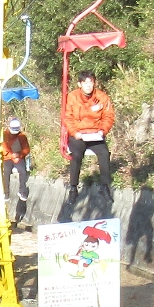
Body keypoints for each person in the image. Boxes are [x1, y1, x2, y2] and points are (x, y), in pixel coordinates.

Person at [62, 69, 116, 214]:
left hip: (95, 133)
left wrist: (102, 131)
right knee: (77, 154)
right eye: (85, 82)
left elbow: (108, 116)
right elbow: (67, 118)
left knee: (104, 153)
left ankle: (104, 186)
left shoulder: (102, 97)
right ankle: (73, 188)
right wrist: (75, 133)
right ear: (80, 84)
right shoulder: (72, 97)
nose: (88, 85)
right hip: (79, 134)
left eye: (91, 82)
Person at [1, 114, 31, 226]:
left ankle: (22, 191)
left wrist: (20, 154)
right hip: (8, 157)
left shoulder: (22, 136)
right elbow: (3, 147)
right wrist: (10, 154)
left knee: (22, 170)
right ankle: (6, 192)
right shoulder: (4, 135)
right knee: (6, 171)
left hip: (19, 157)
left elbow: (26, 149)